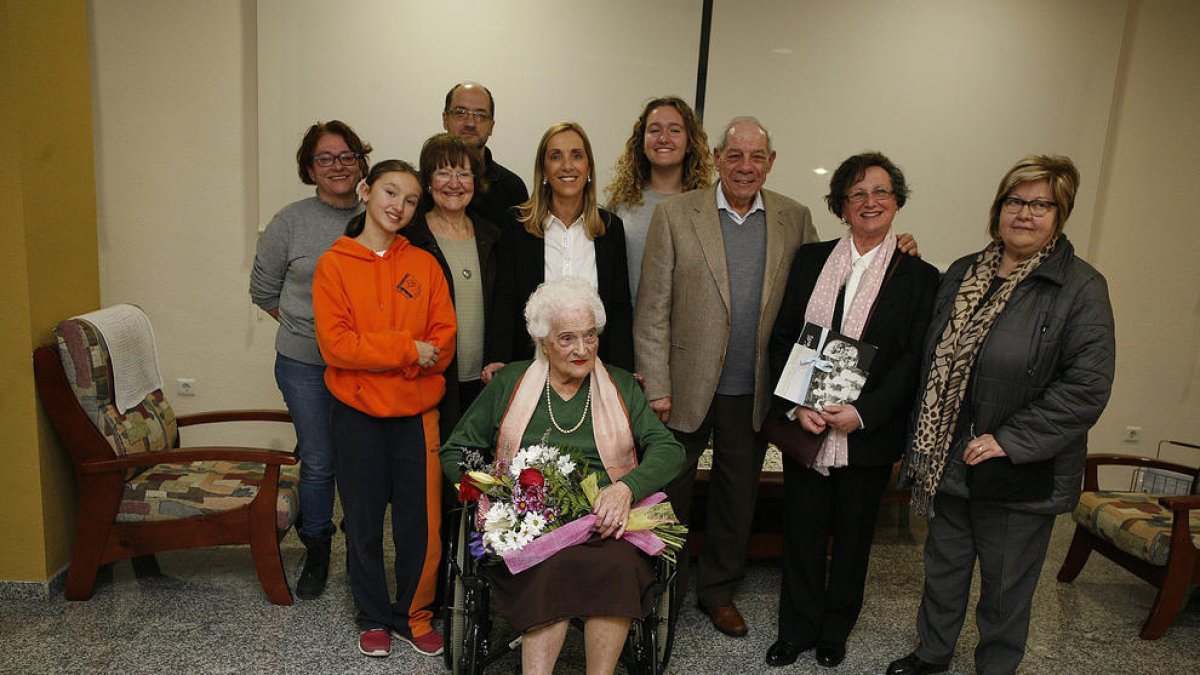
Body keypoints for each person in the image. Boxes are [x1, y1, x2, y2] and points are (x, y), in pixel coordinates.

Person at [886, 155, 1115, 675]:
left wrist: (1010, 439)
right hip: (949, 458)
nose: (1025, 214)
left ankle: (997, 665)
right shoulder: (965, 271)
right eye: (1015, 201)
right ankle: (932, 654)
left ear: (1061, 214)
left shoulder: (1081, 287)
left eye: (1041, 204)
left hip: (1018, 466)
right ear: (998, 209)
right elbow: (930, 361)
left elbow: (1087, 386)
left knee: (1006, 584)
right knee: (942, 569)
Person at [441, 276, 684, 675]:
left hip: (607, 524)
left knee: (618, 567)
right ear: (543, 342)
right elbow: (455, 450)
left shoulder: (622, 385)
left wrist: (626, 487)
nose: (583, 349)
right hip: (532, 524)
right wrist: (494, 496)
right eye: (567, 338)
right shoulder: (509, 383)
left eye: (590, 336)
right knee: (548, 566)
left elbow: (669, 449)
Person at [633, 116, 818, 638]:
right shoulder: (676, 215)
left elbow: (823, 291)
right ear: (716, 157)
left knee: (737, 497)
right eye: (734, 155)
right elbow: (652, 310)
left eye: (756, 157)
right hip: (683, 386)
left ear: (771, 162)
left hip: (753, 389)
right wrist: (658, 385)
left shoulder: (794, 217)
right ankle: (657, 587)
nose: (745, 166)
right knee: (667, 492)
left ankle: (718, 592)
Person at [764, 153, 938, 668]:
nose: (870, 202)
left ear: (897, 202)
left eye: (881, 192)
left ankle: (835, 630)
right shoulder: (810, 260)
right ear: (841, 204)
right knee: (802, 532)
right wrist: (796, 406)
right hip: (808, 426)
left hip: (868, 432)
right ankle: (795, 630)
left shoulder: (921, 276)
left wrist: (863, 414)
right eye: (858, 193)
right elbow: (783, 340)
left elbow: (912, 360)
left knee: (856, 537)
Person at [312, 159, 457, 659]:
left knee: (422, 522)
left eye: (411, 200)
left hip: (417, 416)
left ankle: (414, 615)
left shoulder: (423, 264)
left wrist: (408, 358)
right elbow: (337, 347)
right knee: (364, 518)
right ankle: (372, 615)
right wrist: (405, 351)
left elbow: (443, 343)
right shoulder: (334, 264)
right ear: (367, 191)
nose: (398, 206)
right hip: (356, 416)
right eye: (391, 193)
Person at [249, 119, 371, 599]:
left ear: (361, 162)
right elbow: (262, 291)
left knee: (361, 459)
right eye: (326, 158)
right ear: (309, 168)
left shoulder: (379, 214)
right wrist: (309, 331)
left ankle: (362, 554)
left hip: (369, 365)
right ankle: (317, 546)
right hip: (305, 364)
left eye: (347, 157)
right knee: (319, 460)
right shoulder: (290, 222)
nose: (338, 167)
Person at [486, 121, 634, 376]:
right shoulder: (517, 225)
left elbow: (619, 307)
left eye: (576, 155)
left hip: (594, 371)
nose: (567, 165)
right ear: (544, 170)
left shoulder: (610, 228)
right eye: (556, 157)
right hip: (531, 368)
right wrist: (497, 359)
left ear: (588, 168)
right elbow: (505, 299)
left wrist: (623, 372)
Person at [403, 132, 502, 442]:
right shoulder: (410, 238)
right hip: (430, 378)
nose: (454, 183)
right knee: (437, 475)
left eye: (463, 173)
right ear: (428, 182)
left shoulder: (493, 237)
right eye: (443, 172)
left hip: (484, 380)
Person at [605, 96, 714, 300]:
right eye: (654, 130)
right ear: (642, 142)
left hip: (686, 329)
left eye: (674, 130)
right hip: (629, 327)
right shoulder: (621, 203)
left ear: (690, 142)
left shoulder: (707, 207)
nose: (663, 138)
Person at [441, 81, 529, 231]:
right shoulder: (423, 184)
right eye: (460, 112)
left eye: (480, 115)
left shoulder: (512, 189)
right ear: (445, 120)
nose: (470, 123)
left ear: (491, 127)